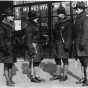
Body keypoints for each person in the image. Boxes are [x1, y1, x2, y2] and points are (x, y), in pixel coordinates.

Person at [51, 4, 72, 81]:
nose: (59, 15)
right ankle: (58, 74)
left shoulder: (67, 22)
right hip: (57, 43)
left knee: (65, 59)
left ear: (64, 14)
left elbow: (69, 35)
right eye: (58, 13)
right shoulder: (57, 22)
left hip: (63, 43)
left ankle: (65, 75)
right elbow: (54, 32)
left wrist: (67, 45)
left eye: (60, 13)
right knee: (57, 59)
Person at [73, 1, 88, 86]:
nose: (75, 11)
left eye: (77, 9)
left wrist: (82, 44)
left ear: (82, 9)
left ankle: (87, 80)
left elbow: (86, 32)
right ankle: (83, 78)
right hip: (78, 44)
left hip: (84, 45)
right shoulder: (78, 17)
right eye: (75, 9)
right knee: (82, 63)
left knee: (86, 63)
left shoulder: (85, 18)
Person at [0, 9, 16, 86]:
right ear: (6, 17)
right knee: (6, 64)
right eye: (11, 16)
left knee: (10, 64)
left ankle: (10, 79)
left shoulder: (11, 24)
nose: (13, 17)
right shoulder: (2, 25)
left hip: (11, 47)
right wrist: (4, 49)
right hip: (6, 48)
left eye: (13, 16)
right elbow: (1, 39)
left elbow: (13, 35)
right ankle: (8, 81)